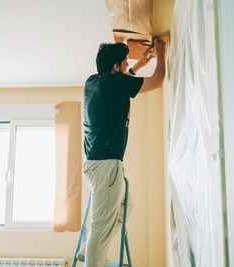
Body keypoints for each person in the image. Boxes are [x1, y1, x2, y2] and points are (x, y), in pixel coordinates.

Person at [81, 38, 166, 267]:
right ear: (116, 67)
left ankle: (88, 248)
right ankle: (92, 250)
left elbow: (121, 78)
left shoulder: (92, 82)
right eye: (125, 61)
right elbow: (158, 80)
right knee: (100, 231)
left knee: (127, 207)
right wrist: (161, 53)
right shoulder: (116, 84)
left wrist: (138, 64)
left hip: (94, 164)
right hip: (107, 166)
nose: (127, 63)